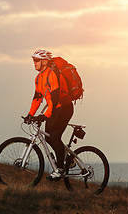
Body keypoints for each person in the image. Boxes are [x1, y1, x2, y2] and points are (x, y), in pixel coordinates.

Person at [24, 49, 74, 180]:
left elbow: (55, 98)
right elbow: (37, 98)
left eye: (36, 60)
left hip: (64, 108)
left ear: (45, 61)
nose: (34, 63)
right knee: (48, 138)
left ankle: (61, 169)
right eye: (33, 60)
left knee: (55, 136)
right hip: (54, 108)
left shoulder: (53, 74)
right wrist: (30, 114)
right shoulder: (38, 78)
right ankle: (67, 160)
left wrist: (45, 115)